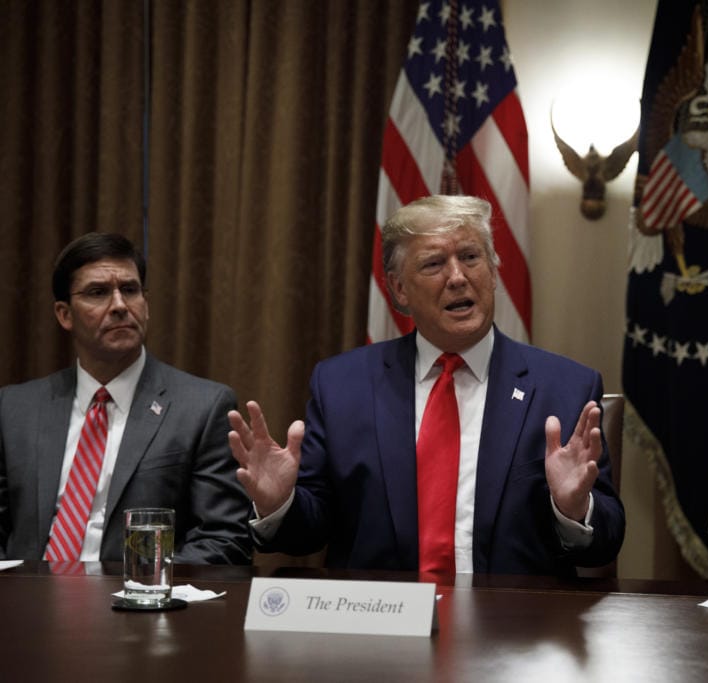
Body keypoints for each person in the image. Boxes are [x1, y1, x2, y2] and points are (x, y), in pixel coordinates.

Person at [228, 194, 625, 576]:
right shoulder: (342, 385)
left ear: (493, 270)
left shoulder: (565, 387)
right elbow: (309, 532)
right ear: (399, 289)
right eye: (434, 264)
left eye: (471, 257)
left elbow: (607, 541)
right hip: (382, 627)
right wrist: (280, 504)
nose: (457, 277)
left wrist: (574, 509)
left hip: (513, 629)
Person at [0, 233, 251, 564]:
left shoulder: (203, 407)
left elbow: (224, 540)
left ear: (145, 305)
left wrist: (144, 589)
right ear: (64, 314)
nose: (119, 305)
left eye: (130, 290)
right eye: (98, 293)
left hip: (138, 607)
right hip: (28, 604)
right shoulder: (15, 408)